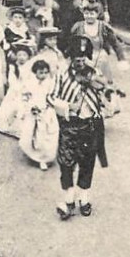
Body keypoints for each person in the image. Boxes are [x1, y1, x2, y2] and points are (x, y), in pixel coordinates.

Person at [50, 55, 108, 219]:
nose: (81, 63)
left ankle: (84, 199)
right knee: (66, 164)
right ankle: (68, 201)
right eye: (77, 60)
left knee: (87, 163)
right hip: (70, 126)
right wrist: (68, 105)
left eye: (83, 59)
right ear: (70, 59)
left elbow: (105, 88)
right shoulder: (62, 75)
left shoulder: (94, 73)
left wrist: (95, 81)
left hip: (90, 125)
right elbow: (51, 97)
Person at [18, 57, 59, 170]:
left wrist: (49, 106)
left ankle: (44, 158)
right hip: (33, 110)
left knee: (47, 135)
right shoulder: (30, 83)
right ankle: (34, 155)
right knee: (32, 134)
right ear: (35, 72)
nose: (44, 75)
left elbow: (52, 96)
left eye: (46, 72)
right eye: (41, 72)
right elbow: (24, 96)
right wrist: (29, 107)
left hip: (46, 111)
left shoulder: (50, 83)